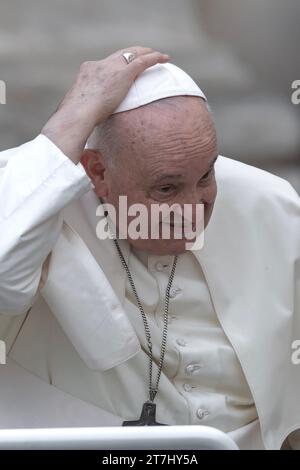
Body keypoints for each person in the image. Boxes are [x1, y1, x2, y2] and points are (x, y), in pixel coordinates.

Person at [0, 46, 299, 449]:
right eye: (166, 189)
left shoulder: (270, 205)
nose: (194, 209)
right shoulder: (33, 198)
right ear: (98, 171)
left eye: (207, 175)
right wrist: (72, 118)